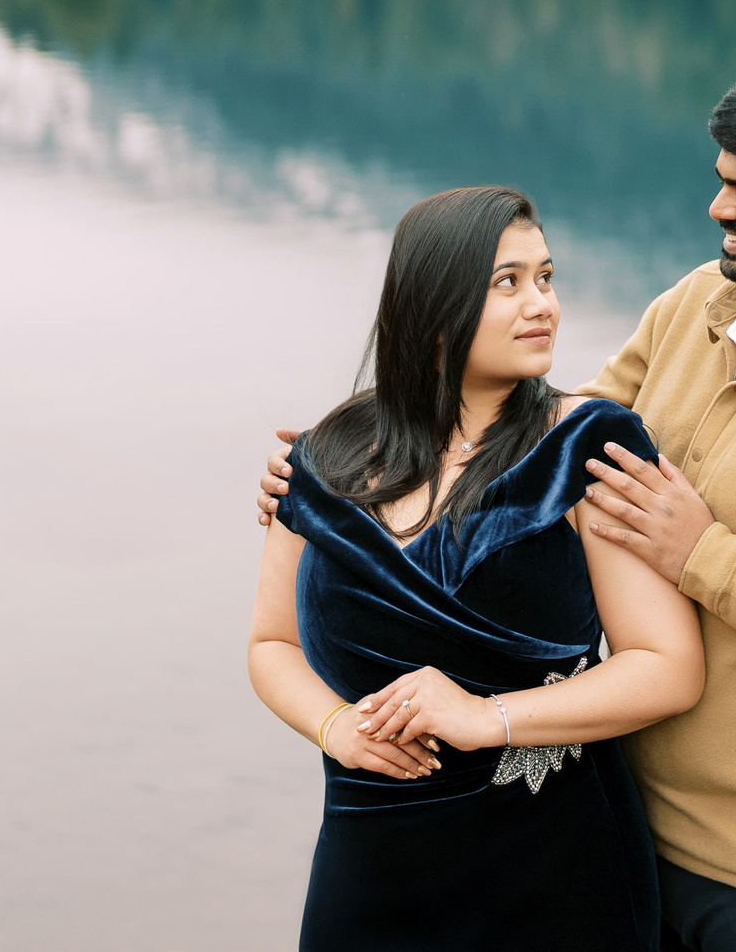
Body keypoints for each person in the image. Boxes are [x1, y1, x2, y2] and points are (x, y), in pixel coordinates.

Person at [261, 66, 736, 951]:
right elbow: (542, 445)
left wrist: (707, 556)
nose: (718, 208)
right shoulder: (701, 304)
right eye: (722, 180)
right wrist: (355, 470)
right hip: (638, 825)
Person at [247, 184, 705, 952]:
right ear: (433, 305)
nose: (543, 304)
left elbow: (669, 666)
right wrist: (336, 728)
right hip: (371, 864)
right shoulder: (321, 456)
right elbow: (272, 646)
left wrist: (483, 717)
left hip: (551, 866)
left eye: (547, 277)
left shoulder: (588, 448)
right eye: (509, 282)